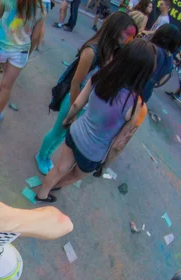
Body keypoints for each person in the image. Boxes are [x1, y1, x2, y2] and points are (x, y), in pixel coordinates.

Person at [35, 39, 155, 203]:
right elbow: (118, 145)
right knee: (74, 175)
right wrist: (104, 166)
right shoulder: (136, 106)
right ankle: (55, 187)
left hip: (75, 132)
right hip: (93, 153)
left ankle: (42, 194)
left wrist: (68, 120)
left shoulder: (101, 76)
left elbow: (77, 103)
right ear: (145, 72)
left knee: (59, 168)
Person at [35, 12, 137, 175]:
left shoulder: (113, 52)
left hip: (88, 104)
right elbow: (76, 83)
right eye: (128, 34)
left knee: (63, 134)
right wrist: (74, 111)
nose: (129, 39)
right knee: (58, 131)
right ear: (116, 29)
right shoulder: (91, 51)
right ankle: (41, 156)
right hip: (74, 99)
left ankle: (47, 156)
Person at [0, 0, 45, 122]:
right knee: (6, 87)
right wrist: (28, 54)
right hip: (20, 52)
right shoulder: (40, 8)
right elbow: (35, 37)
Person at [141, 24, 181, 103]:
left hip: (131, 87)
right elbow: (161, 82)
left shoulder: (153, 50)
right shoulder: (170, 60)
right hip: (145, 94)